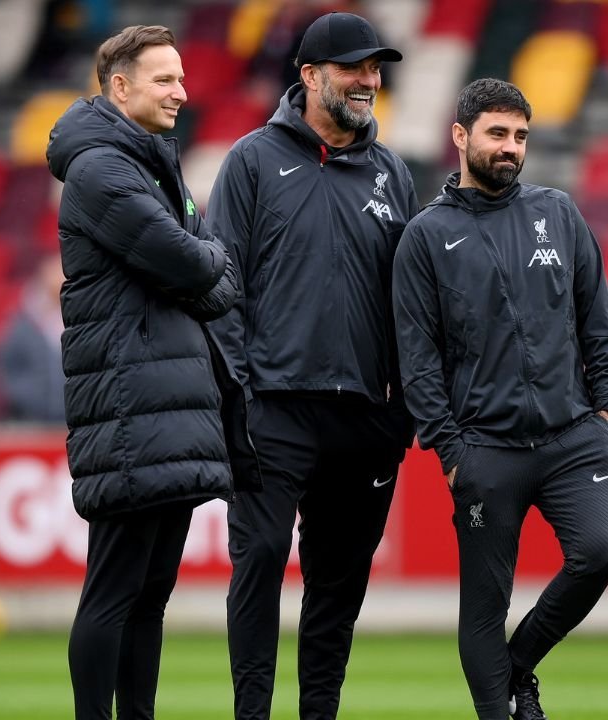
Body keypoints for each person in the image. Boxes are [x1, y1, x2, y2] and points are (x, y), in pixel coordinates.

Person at [393, 78, 608, 720]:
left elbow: (598, 318)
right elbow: (417, 358)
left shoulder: (558, 212)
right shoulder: (425, 236)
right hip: (485, 451)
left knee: (599, 555)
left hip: (573, 437)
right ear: (460, 136)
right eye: (497, 133)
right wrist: (450, 452)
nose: (511, 147)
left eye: (520, 136)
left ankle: (517, 666)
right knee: (483, 608)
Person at [206, 12, 417, 720]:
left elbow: (413, 303)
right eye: (353, 67)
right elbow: (220, 288)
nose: (368, 80)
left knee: (339, 580)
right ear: (309, 75)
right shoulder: (251, 161)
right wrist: (239, 393)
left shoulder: (392, 173)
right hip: (273, 407)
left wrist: (402, 408)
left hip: (364, 417)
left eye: (374, 68)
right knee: (261, 557)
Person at [45, 25, 258, 720]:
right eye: (165, 79)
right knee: (113, 592)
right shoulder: (100, 171)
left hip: (164, 405)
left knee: (148, 597)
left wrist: (204, 266)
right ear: (120, 87)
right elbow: (199, 263)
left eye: (182, 78)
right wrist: (206, 265)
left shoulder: (147, 162)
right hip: (129, 405)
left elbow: (214, 273)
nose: (181, 92)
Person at [0, 254, 67, 424]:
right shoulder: (24, 322)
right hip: (34, 418)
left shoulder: (87, 319)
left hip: (78, 417)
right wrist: (32, 397)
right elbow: (9, 368)